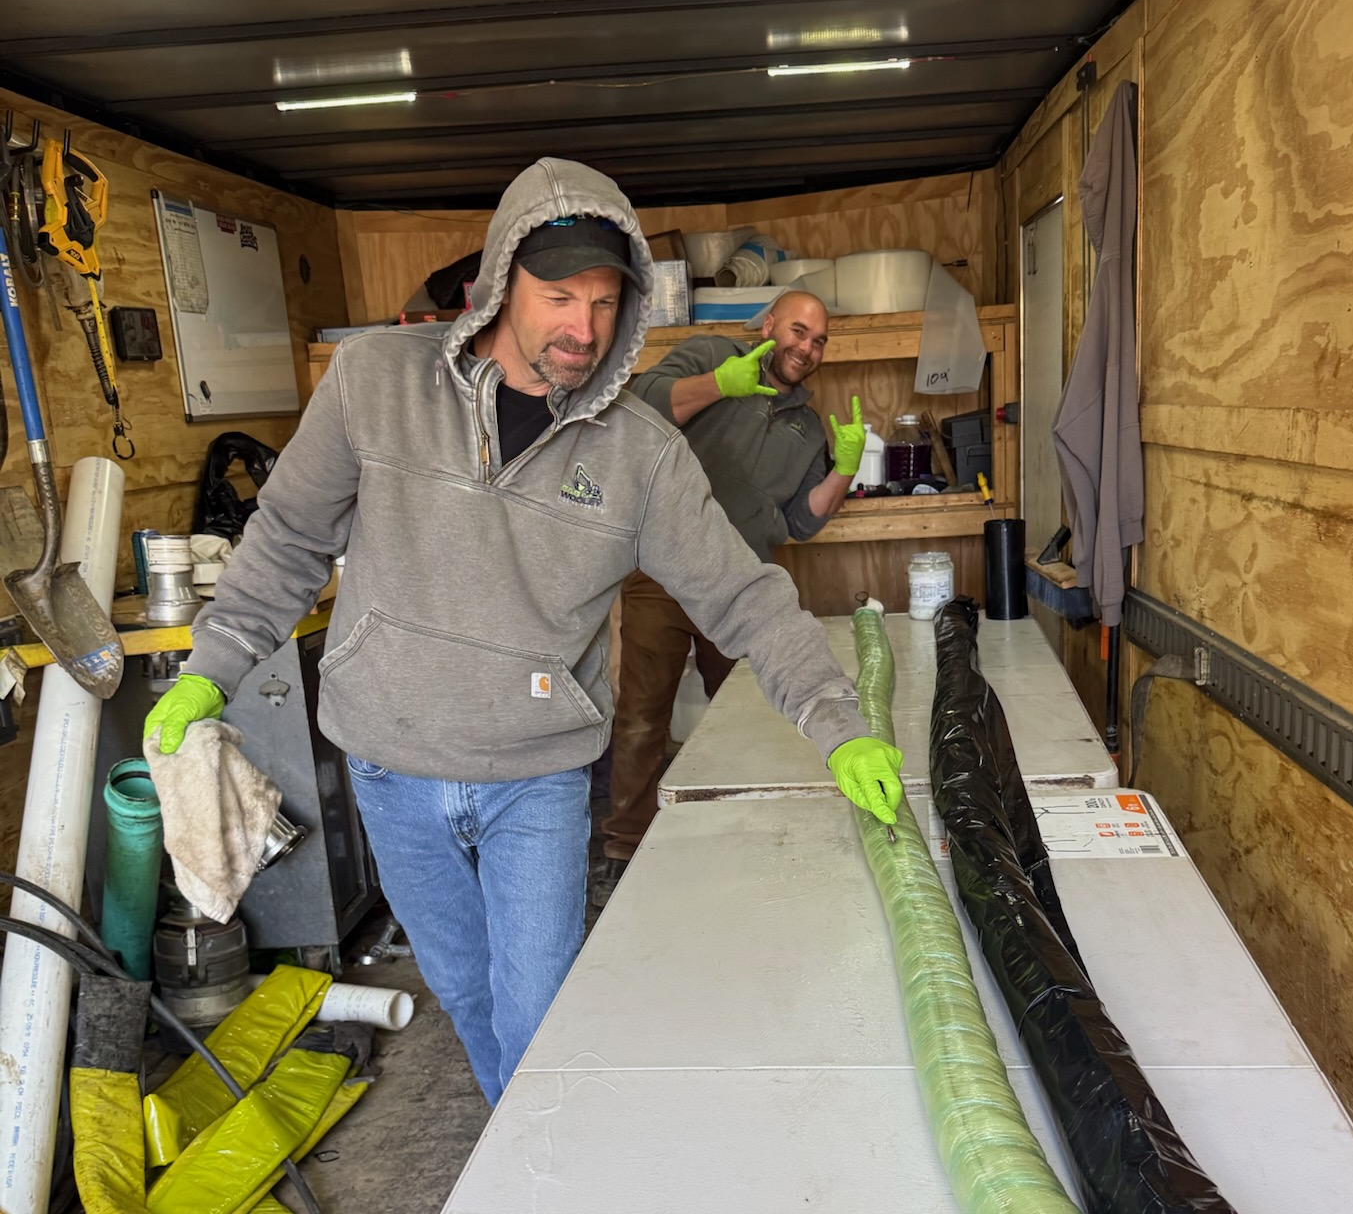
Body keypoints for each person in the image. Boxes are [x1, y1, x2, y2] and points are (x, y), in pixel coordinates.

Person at [145, 161, 903, 1105]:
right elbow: (290, 536)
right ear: (502, 284)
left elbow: (744, 596)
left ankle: (538, 1162)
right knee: (465, 991)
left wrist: (838, 720)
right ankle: (532, 1163)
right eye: (557, 296)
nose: (581, 327)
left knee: (538, 1012)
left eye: (602, 300)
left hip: (536, 777)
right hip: (391, 764)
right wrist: (211, 665)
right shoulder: (372, 383)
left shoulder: (641, 456)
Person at [600, 290, 867, 872]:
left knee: (747, 713)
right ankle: (626, 853)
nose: (806, 347)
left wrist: (844, 469)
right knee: (644, 714)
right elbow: (640, 406)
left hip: (741, 584)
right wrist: (721, 384)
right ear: (769, 323)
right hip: (662, 568)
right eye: (798, 331)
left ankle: (743, 836)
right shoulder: (709, 356)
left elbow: (801, 520)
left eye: (818, 340)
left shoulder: (809, 427)